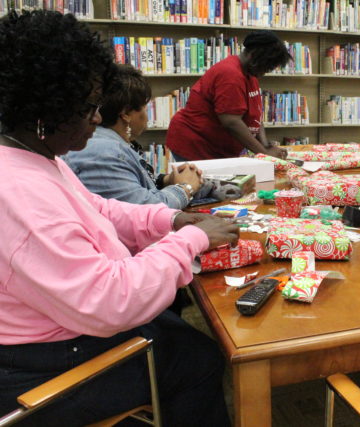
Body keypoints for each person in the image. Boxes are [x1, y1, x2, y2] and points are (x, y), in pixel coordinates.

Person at [0, 10, 237, 426]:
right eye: (89, 107)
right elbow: (111, 300)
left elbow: (98, 209)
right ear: (46, 107)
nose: (97, 118)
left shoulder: (34, 155)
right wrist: (192, 241)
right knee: (200, 359)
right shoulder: (19, 194)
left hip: (64, 327)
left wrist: (171, 221)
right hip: (45, 362)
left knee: (180, 331)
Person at [64, 64, 205, 210]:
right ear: (126, 114)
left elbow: (132, 185)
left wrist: (166, 180)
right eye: (145, 107)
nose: (146, 115)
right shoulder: (104, 152)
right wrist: (185, 187)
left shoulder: (110, 143)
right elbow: (146, 209)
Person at [166, 30, 291, 161]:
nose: (266, 72)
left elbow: (256, 116)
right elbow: (231, 122)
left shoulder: (250, 74)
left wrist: (266, 146)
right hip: (195, 143)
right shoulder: (230, 74)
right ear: (253, 56)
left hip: (215, 147)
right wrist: (264, 153)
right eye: (267, 66)